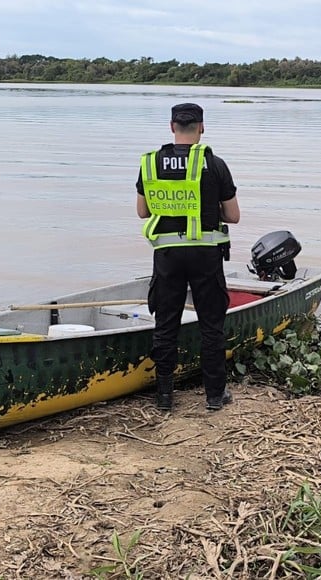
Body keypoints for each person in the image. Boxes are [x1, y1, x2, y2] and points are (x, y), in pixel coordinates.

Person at [136, 102, 241, 412]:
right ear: (202, 127)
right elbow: (233, 216)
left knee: (166, 323)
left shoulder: (151, 164)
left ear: (172, 127)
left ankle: (165, 397)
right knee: (211, 324)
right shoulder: (215, 164)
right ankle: (214, 395)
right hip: (205, 255)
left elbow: (143, 212)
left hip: (167, 256)